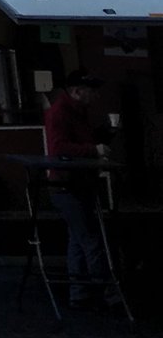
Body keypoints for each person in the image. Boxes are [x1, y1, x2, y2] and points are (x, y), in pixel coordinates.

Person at [43, 69, 117, 307]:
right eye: (91, 91)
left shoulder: (73, 111)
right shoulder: (61, 113)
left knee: (78, 237)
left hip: (72, 183)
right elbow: (60, 148)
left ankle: (80, 292)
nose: (95, 96)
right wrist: (94, 150)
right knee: (90, 238)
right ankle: (107, 290)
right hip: (67, 184)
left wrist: (102, 137)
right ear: (76, 92)